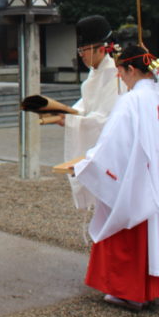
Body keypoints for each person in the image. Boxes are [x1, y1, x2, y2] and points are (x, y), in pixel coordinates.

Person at [73, 45, 159, 311]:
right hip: (155, 176)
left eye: (121, 73)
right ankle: (145, 290)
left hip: (134, 178)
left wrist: (89, 163)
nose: (120, 78)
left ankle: (129, 290)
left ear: (132, 70)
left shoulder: (131, 100)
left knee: (122, 227)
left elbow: (114, 143)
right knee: (149, 230)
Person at [57, 15, 122, 209]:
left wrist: (69, 120)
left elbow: (105, 119)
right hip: (101, 152)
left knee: (112, 207)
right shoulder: (96, 71)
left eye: (84, 50)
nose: (81, 55)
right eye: (80, 50)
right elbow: (85, 105)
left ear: (101, 49)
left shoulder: (115, 75)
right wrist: (66, 113)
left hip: (115, 154)